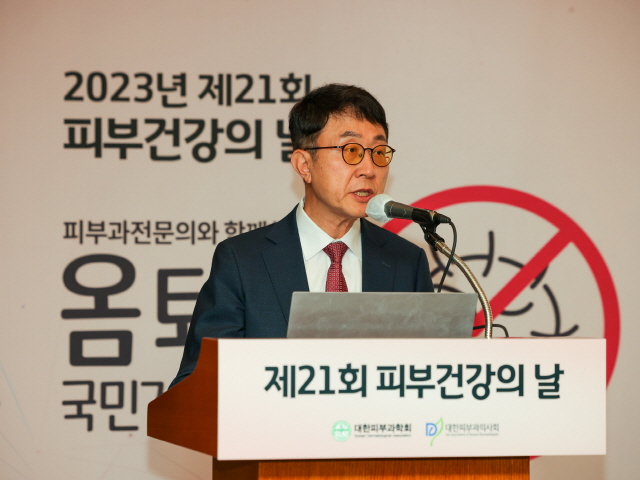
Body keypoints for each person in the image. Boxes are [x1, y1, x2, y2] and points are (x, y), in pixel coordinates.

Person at [170, 84, 434, 386]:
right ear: (304, 165)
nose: (369, 169)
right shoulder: (243, 262)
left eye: (379, 152)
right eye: (351, 151)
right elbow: (197, 383)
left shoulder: (406, 262)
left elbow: (428, 375)